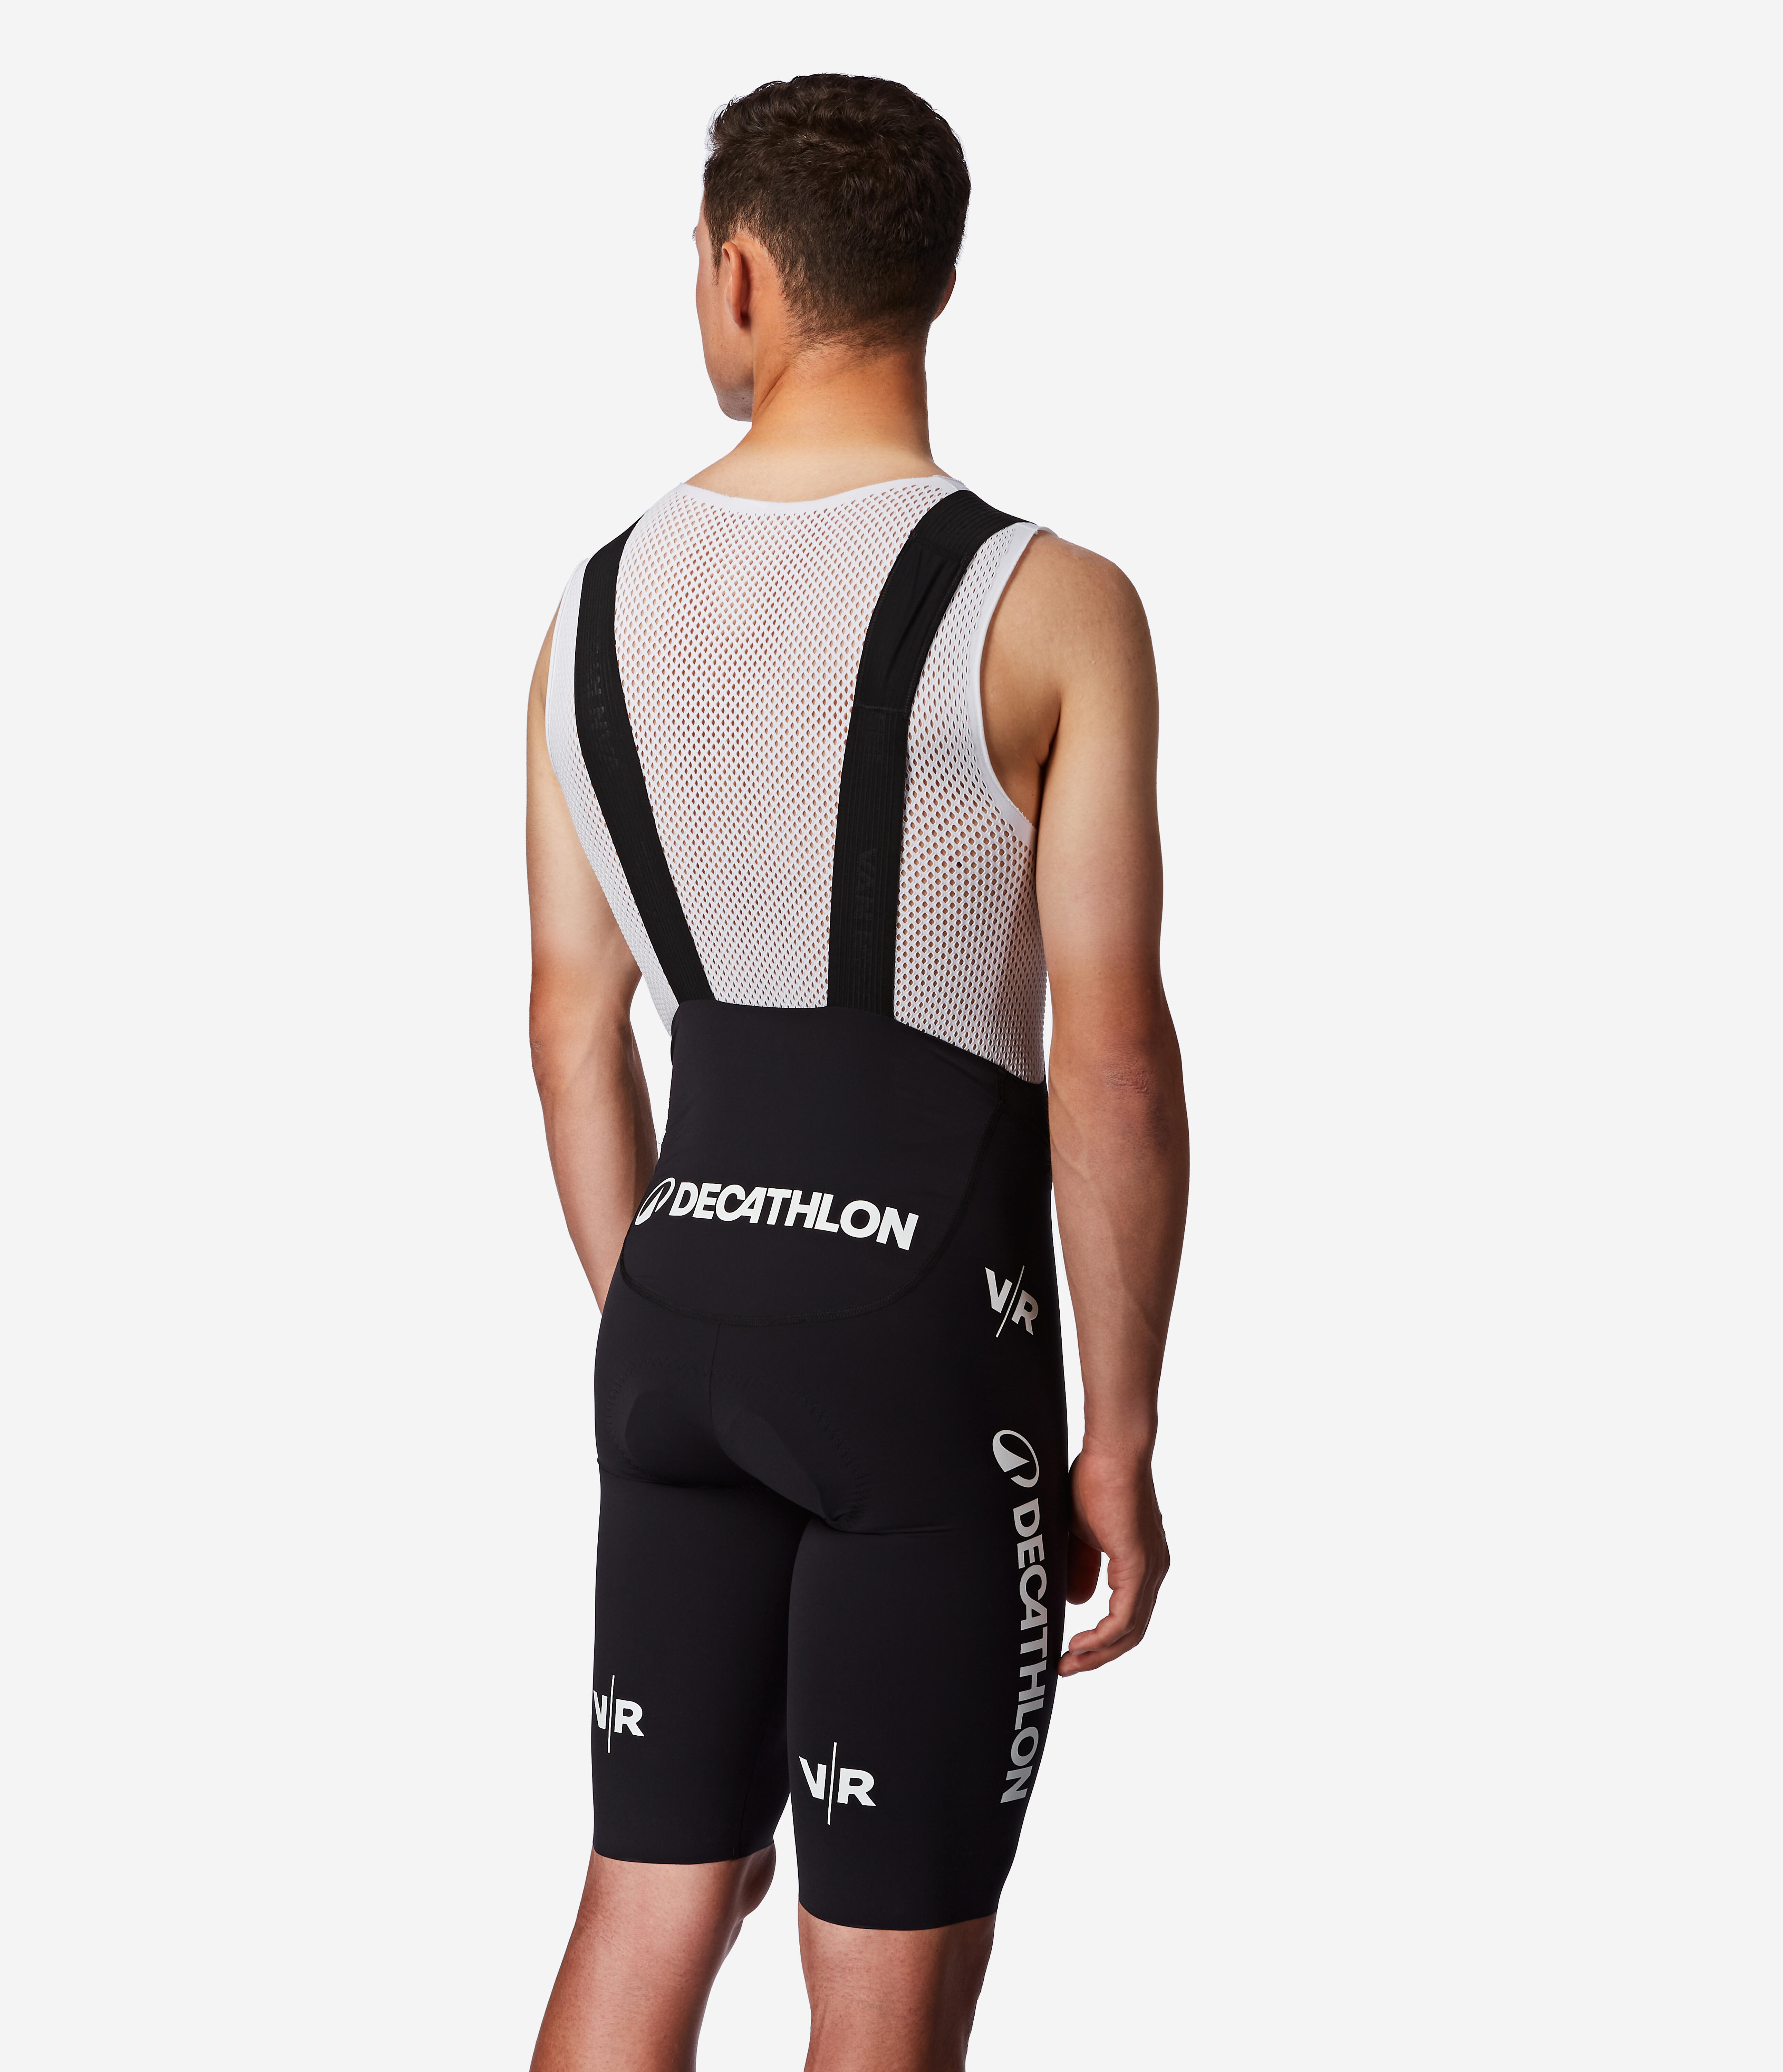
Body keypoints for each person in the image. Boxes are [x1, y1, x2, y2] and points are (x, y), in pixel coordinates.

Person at [524, 74, 1187, 2072]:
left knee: (645, 1909)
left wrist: (684, 1313)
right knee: (877, 1993)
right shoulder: (1053, 607)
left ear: (738, 273)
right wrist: (1121, 1432)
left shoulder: (589, 614)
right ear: (938, 283)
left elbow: (570, 1024)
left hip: (675, 1322)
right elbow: (1111, 1055)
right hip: (924, 1349)